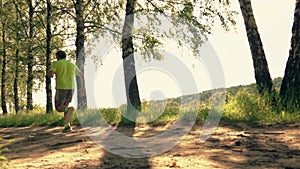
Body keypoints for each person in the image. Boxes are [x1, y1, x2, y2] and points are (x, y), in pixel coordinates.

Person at [48, 50, 85, 132]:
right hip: (71, 89)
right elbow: (81, 75)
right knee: (65, 106)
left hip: (61, 88)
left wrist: (49, 72)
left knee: (59, 107)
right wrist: (82, 88)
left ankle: (69, 110)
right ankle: (67, 126)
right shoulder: (72, 65)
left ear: (58, 57)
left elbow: (51, 75)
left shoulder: (56, 63)